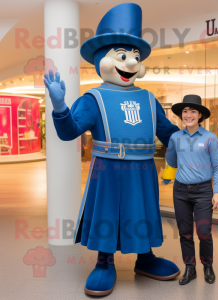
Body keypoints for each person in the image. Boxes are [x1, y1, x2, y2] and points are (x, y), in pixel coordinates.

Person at [44, 3, 180, 296]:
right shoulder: (93, 98)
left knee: (141, 212)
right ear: (100, 60)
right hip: (107, 169)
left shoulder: (148, 98)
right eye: (122, 56)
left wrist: (194, 140)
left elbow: (168, 133)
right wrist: (59, 107)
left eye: (135, 56)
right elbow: (69, 132)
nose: (131, 62)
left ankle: (145, 259)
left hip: (143, 170)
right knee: (108, 212)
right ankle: (104, 263)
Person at [166, 95, 218, 285]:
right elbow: (172, 161)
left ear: (200, 115)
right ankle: (190, 268)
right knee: (185, 232)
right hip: (180, 191)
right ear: (181, 115)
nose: (188, 115)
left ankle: (207, 266)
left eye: (193, 111)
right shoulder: (175, 137)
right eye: (185, 111)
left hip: (203, 191)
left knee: (204, 232)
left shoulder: (210, 138)